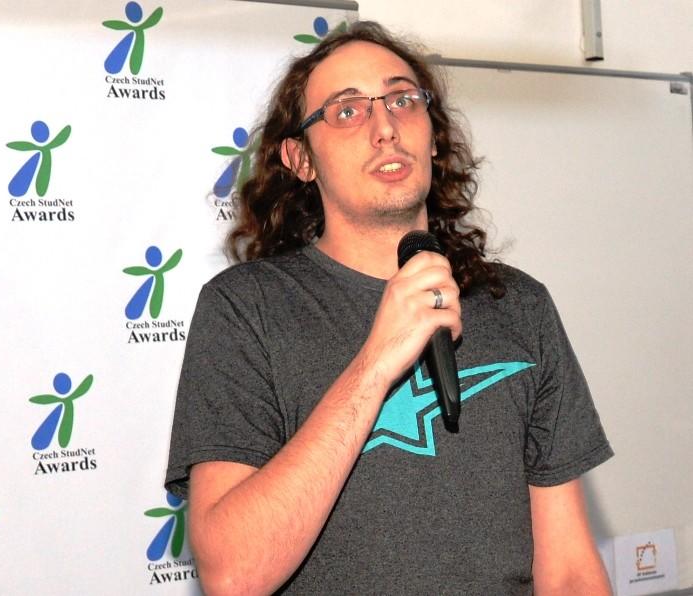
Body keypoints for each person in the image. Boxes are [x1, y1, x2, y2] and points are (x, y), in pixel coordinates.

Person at [165, 21, 614, 595]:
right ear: (301, 158)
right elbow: (233, 574)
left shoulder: (519, 305)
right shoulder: (246, 309)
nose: (384, 128)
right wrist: (377, 360)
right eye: (347, 111)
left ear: (432, 135)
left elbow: (570, 570)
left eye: (402, 100)